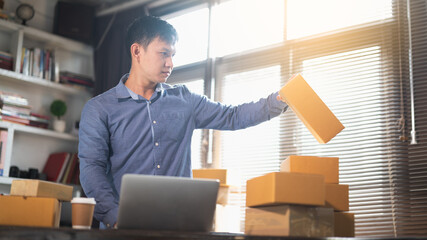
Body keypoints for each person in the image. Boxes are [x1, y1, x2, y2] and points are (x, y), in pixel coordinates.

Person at [78, 15, 288, 229]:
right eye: (164, 54)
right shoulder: (99, 109)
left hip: (177, 227)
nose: (170, 63)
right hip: (122, 229)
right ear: (137, 51)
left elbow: (232, 116)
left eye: (173, 55)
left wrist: (279, 100)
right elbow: (91, 169)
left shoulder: (185, 100)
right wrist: (114, 218)